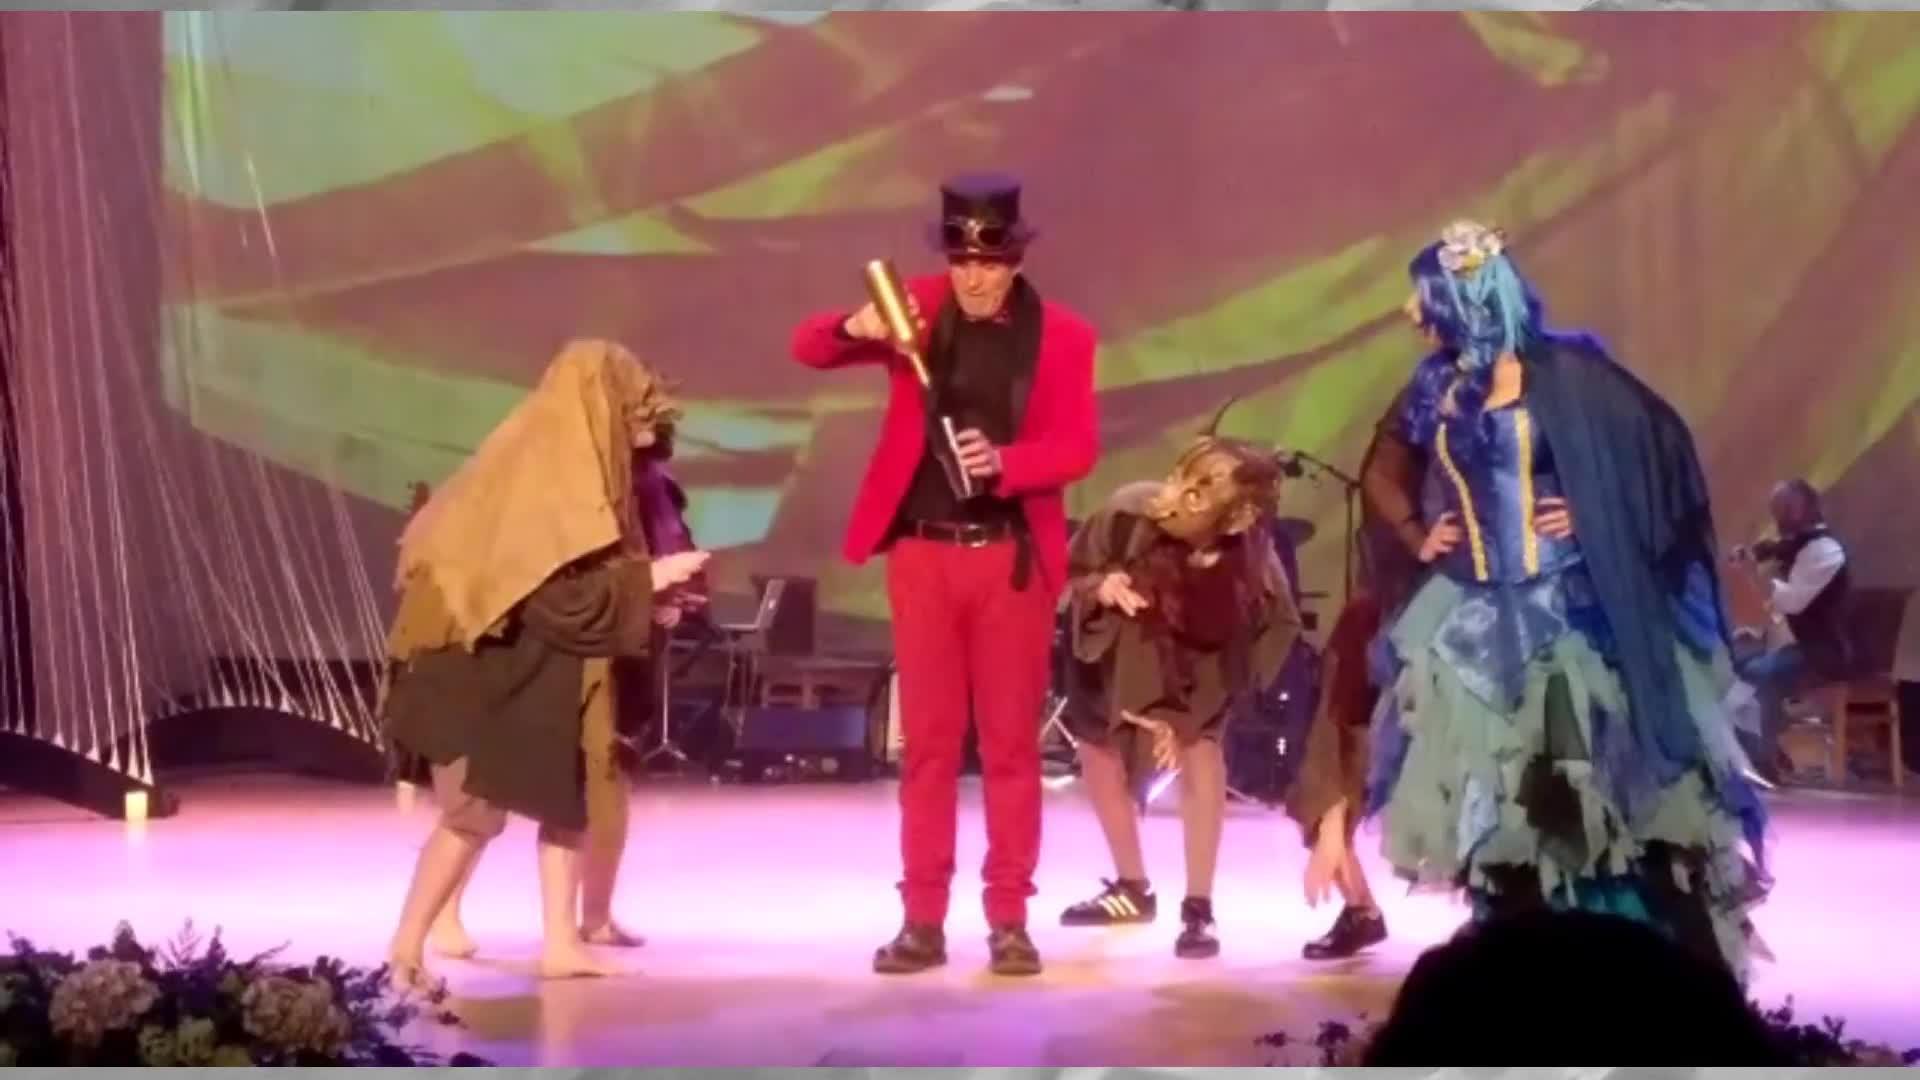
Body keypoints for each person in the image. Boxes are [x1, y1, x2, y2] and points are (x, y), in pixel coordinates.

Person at [1362, 221, 1769, 979]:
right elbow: (1383, 470)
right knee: (1497, 814)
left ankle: (1629, 971)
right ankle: (1524, 973)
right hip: (1470, 624)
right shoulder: (1433, 386)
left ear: (1466, 298)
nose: (1410, 313)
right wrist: (1417, 532)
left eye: (1423, 297)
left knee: (1587, 804)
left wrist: (1596, 510)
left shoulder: (1571, 373)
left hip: (1570, 621)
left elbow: (1665, 458)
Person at [790, 173, 1098, 976]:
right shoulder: (916, 309)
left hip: (1009, 562)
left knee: (1010, 748)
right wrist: (855, 324)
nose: (973, 277)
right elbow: (808, 347)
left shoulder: (1064, 337)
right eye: (961, 260)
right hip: (923, 557)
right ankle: (922, 919)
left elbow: (1077, 447)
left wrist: (1007, 463)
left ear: (1016, 260)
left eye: (988, 263)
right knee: (927, 747)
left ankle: (1009, 919)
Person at [380, 341, 709, 986]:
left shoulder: (591, 472)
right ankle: (406, 947)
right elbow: (549, 596)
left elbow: (580, 585)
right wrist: (650, 579)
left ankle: (561, 943)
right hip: (484, 668)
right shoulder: (537, 476)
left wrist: (654, 596)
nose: (640, 419)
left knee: (570, 798)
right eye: (627, 402)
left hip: (552, 664)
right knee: (474, 814)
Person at [1057, 425, 1302, 957]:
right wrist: (1100, 585)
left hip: (1204, 662)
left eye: (1200, 492)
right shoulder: (1129, 511)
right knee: (1098, 749)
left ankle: (1198, 908)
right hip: (1121, 647)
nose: (1176, 496)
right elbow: (1073, 567)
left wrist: (1204, 707)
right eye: (1180, 477)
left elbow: (1278, 628)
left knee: (1201, 750)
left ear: (1237, 517)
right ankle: (1131, 888)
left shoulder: (1251, 562)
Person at [1727, 479, 1853, 782]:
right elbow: (1778, 608)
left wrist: (1756, 574)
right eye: (1776, 510)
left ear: (1809, 508)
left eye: (1786, 509)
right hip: (1799, 645)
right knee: (1734, 663)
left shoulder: (1825, 550)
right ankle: (1759, 747)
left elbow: (1794, 601)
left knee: (1760, 673)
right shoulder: (1795, 545)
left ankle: (1761, 760)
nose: (1779, 517)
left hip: (1825, 651)